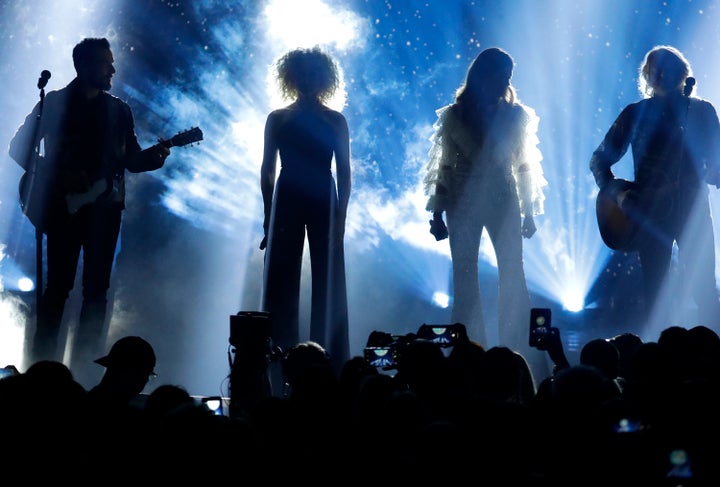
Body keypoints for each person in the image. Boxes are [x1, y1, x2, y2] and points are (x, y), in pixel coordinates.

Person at [8, 37, 172, 379]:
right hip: (62, 210)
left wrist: (155, 159)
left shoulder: (119, 110)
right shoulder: (54, 103)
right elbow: (17, 148)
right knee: (57, 290)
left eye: (112, 63)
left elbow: (130, 160)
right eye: (105, 63)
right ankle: (43, 372)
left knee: (96, 292)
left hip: (105, 212)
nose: (112, 68)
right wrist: (56, 176)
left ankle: (86, 371)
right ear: (84, 66)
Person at [423, 47, 548, 354]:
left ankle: (517, 348)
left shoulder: (517, 116)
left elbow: (525, 166)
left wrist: (529, 212)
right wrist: (437, 214)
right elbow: (444, 166)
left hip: (503, 199)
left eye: (509, 76)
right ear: (483, 75)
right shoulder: (454, 116)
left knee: (513, 274)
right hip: (461, 202)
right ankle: (469, 349)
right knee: (464, 277)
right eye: (500, 75)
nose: (505, 81)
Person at [589, 45, 720, 330]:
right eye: (653, 69)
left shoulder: (701, 111)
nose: (659, 74)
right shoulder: (634, 113)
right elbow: (599, 159)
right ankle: (662, 358)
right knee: (656, 294)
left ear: (682, 74)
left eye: (667, 68)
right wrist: (618, 192)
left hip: (693, 212)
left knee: (703, 290)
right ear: (646, 76)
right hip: (649, 215)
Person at [259, 46, 351, 376]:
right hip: (289, 195)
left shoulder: (336, 120)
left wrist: (340, 219)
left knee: (329, 280)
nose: (309, 79)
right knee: (280, 280)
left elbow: (345, 173)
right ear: (292, 77)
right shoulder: (278, 118)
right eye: (304, 73)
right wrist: (269, 215)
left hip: (323, 196)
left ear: (325, 78)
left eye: (315, 73)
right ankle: (277, 361)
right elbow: (267, 170)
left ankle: (331, 364)